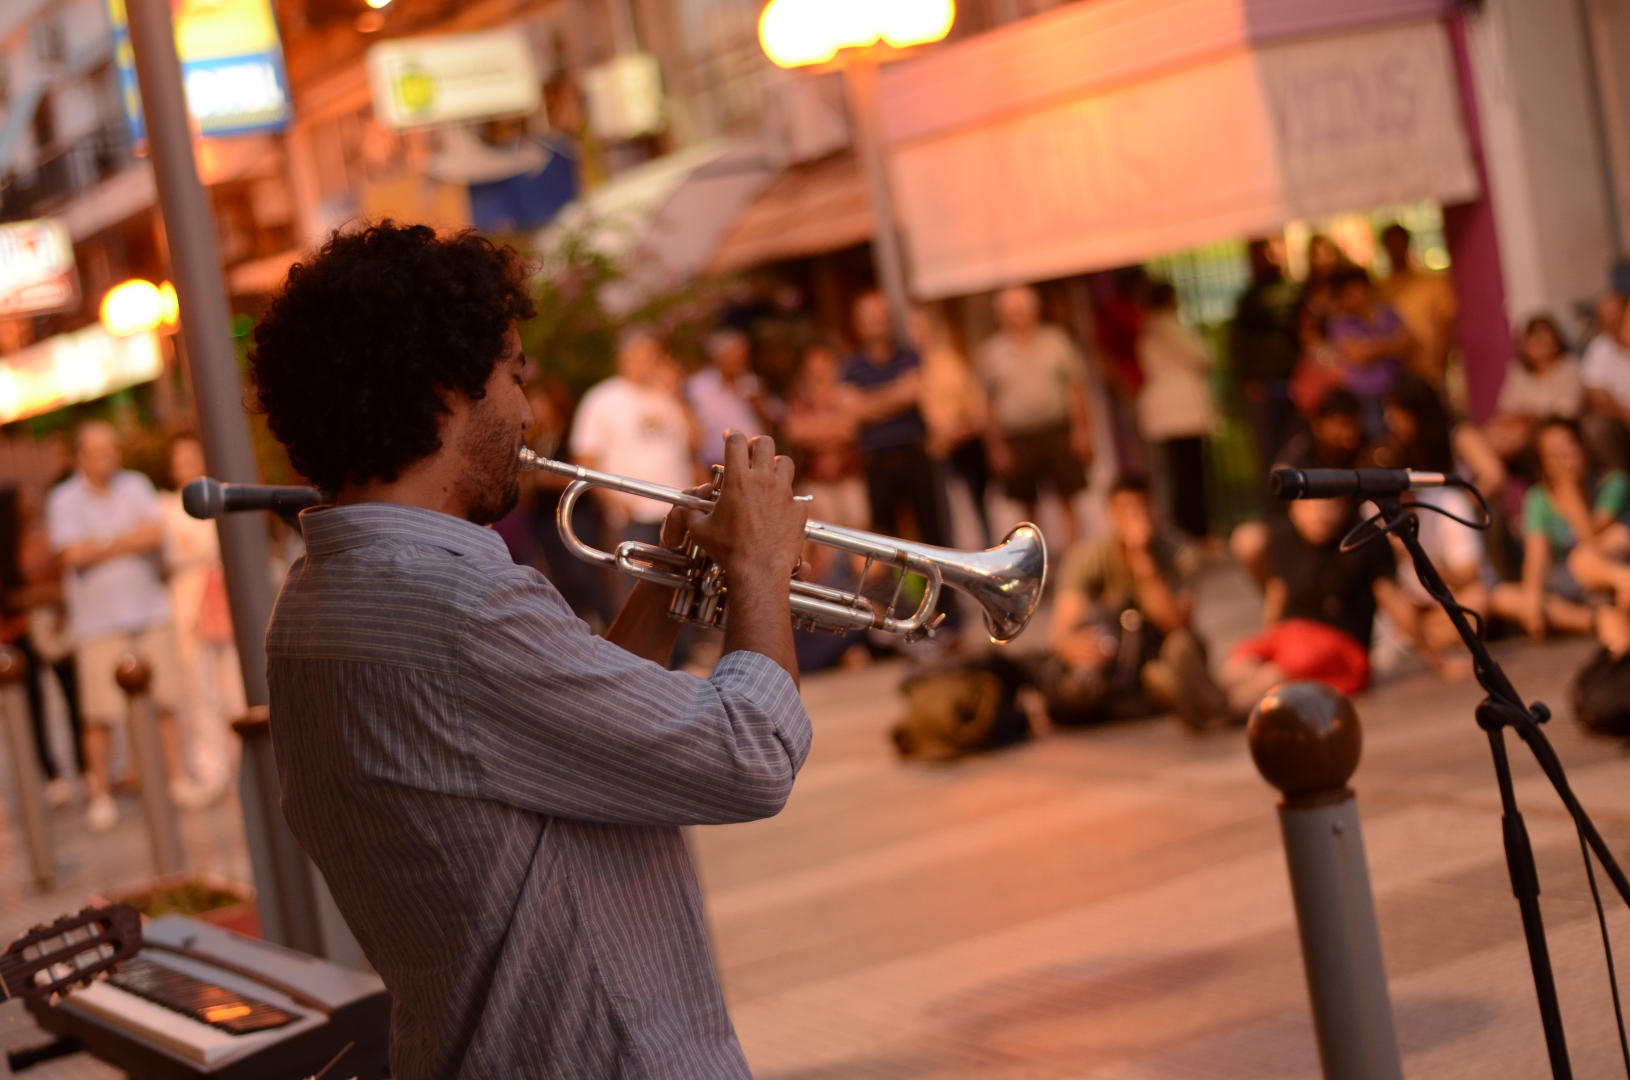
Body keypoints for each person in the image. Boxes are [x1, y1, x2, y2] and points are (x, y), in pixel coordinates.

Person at [249, 222, 811, 1079]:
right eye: (514, 374)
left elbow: (577, 743)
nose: (529, 410)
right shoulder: (462, 608)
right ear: (445, 391)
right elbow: (752, 754)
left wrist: (670, 576)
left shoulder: (308, 606)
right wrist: (763, 563)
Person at [47, 421, 187, 832]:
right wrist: (125, 539)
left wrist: (101, 542)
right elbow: (72, 554)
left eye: (112, 448)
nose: (109, 457)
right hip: (97, 623)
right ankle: (101, 794)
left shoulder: (137, 484)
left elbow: (154, 536)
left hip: (148, 611)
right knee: (99, 713)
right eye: (99, 451)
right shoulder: (63, 499)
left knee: (165, 700)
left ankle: (176, 779)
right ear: (80, 457)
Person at [1218, 496, 1434, 717]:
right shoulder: (1285, 539)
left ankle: (1223, 710)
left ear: (1344, 507)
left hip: (1339, 643)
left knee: (1274, 676)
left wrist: (1435, 659)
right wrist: (1268, 639)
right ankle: (1211, 701)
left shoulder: (1366, 539)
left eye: (1329, 507)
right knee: (1239, 661)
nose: (1320, 515)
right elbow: (1278, 593)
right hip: (1289, 633)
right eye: (1309, 507)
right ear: (1293, 510)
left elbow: (1390, 597)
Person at [1043, 478, 1227, 729]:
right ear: (1111, 515)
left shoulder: (1181, 552)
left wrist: (1142, 560)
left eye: (1142, 507)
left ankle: (1194, 699)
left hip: (1162, 644)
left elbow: (1173, 624)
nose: (1135, 517)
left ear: (1154, 508)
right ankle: (1178, 698)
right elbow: (1061, 631)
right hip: (1120, 654)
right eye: (1126, 510)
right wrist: (1078, 646)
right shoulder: (1087, 557)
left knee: (1180, 647)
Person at [1369, 376, 1484, 677]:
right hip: (1405, 607)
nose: (1389, 420)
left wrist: (1412, 551)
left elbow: (1468, 576)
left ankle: (1415, 641)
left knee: (1477, 603)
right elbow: (1381, 590)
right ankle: (1419, 640)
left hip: (1446, 595)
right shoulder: (1369, 513)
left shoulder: (1447, 500)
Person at [1491, 419, 1630, 651]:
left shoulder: (1613, 483)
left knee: (1585, 555)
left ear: (1583, 447)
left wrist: (1571, 495)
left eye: (1569, 447)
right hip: (1566, 584)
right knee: (1503, 597)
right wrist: (1532, 601)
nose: (1565, 458)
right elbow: (1537, 557)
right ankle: (1597, 620)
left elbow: (1590, 543)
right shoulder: (1538, 497)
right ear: (1542, 464)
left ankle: (1618, 594)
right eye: (1554, 454)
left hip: (1603, 570)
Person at [160, 432, 244, 808]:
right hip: (190, 602)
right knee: (199, 688)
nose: (187, 466)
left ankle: (244, 765)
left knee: (235, 687)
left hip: (225, 593)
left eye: (192, 457)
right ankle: (211, 769)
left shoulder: (223, 496)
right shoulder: (165, 508)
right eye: (179, 460)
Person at [976, 284, 1092, 547]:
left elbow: (1076, 389)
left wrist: (1082, 431)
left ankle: (1075, 554)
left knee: (1068, 497)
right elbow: (987, 405)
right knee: (1026, 505)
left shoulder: (1056, 342)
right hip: (1018, 438)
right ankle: (1034, 557)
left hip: (1057, 430)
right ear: (1001, 316)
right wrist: (995, 447)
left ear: (1035, 311)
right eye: (1012, 313)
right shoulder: (992, 353)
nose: (1018, 318)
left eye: (1023, 311)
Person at [570, 328, 698, 551]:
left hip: (678, 511)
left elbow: (695, 442)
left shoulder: (668, 396)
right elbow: (585, 459)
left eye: (653, 356)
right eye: (641, 356)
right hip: (634, 517)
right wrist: (615, 503)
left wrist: (678, 394)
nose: (648, 363)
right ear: (623, 358)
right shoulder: (601, 399)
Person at [842, 290, 951, 547]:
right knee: (884, 541)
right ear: (859, 324)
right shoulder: (851, 368)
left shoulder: (910, 356)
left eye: (883, 316)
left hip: (915, 456)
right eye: (872, 318)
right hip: (877, 464)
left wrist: (869, 402)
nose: (879, 324)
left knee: (933, 536)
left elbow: (911, 393)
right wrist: (895, 395)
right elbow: (853, 411)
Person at [1230, 387, 1365, 587]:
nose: (1349, 434)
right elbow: (1279, 507)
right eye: (1341, 425)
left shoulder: (1367, 450)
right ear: (1319, 424)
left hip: (1356, 528)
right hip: (1300, 531)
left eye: (1353, 424)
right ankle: (1282, 596)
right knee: (1248, 540)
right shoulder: (1297, 457)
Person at [1136, 282, 1215, 540]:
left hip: (1163, 414)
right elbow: (1203, 357)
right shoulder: (1169, 326)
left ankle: (1182, 534)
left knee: (1175, 478)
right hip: (1183, 414)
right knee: (1191, 479)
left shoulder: (1146, 328)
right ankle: (1196, 533)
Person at [1232, 239, 1303, 497]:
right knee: (1269, 450)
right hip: (1265, 386)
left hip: (1297, 382)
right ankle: (1275, 504)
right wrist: (1248, 379)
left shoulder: (1295, 292)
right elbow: (1239, 344)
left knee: (1298, 444)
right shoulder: (1249, 299)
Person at [913, 308, 990, 545]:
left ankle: (988, 547)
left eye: (923, 330)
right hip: (937, 450)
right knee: (946, 512)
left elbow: (972, 397)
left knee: (979, 505)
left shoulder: (950, 360)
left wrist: (968, 425)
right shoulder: (910, 368)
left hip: (966, 441)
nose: (919, 336)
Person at [784, 343, 868, 532]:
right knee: (824, 533)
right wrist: (833, 429)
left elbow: (848, 429)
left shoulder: (847, 394)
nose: (818, 375)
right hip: (815, 480)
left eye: (823, 368)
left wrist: (814, 433)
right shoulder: (798, 401)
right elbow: (795, 433)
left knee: (859, 528)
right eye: (813, 370)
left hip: (848, 477)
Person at [1326, 266, 1412, 439]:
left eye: (1360, 289)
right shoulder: (1340, 322)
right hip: (1365, 396)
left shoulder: (1386, 312)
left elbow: (1407, 342)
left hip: (1397, 390)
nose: (1358, 296)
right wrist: (1390, 344)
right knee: (1377, 440)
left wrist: (1371, 348)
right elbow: (1358, 355)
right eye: (1350, 292)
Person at [1486, 315, 1584, 464]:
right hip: (1518, 431)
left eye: (1545, 341)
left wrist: (1528, 418)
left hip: (1554, 430)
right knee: (1490, 434)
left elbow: (1567, 411)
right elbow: (1505, 410)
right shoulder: (1518, 372)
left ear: (1556, 342)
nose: (1541, 346)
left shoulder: (1569, 367)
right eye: (1536, 341)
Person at [685, 328, 782, 471]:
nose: (741, 360)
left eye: (743, 355)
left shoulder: (752, 383)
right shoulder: (697, 387)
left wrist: (760, 405)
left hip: (752, 464)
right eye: (735, 355)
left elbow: (778, 417)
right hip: (714, 464)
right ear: (719, 357)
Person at [1377, 223, 1457, 389]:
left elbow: (1446, 325)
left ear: (1407, 244)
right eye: (1391, 245)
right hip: (1396, 376)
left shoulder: (1431, 281)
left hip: (1430, 371)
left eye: (1398, 244)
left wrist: (1441, 366)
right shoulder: (1379, 290)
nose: (1395, 249)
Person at [1582, 290, 1630, 471]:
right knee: (1595, 427)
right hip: (1622, 422)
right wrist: (1626, 414)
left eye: (1617, 313)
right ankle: (1620, 484)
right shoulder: (1599, 349)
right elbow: (1597, 398)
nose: (1613, 321)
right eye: (1605, 317)